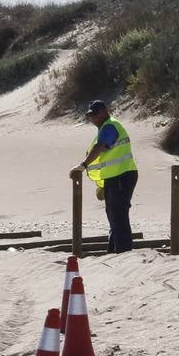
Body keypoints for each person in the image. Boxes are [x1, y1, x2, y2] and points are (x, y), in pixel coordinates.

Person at [69, 100, 137, 253]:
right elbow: (106, 161)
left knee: (118, 215)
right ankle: (114, 252)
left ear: (106, 111)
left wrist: (83, 165)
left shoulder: (109, 126)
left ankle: (123, 253)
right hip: (114, 178)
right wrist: (102, 185)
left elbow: (99, 148)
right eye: (91, 115)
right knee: (113, 214)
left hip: (122, 175)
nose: (94, 118)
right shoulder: (104, 129)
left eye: (96, 114)